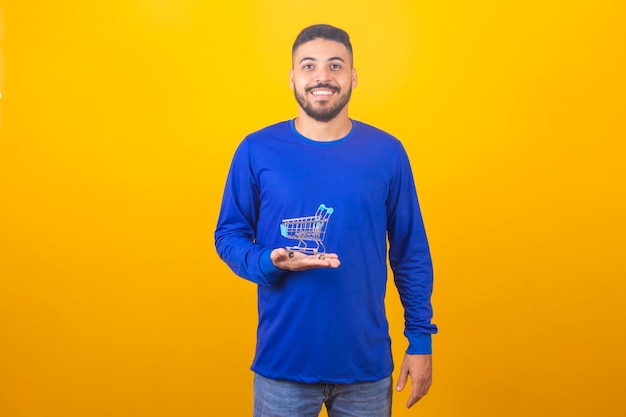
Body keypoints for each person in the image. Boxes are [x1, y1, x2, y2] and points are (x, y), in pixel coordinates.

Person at [214, 24, 437, 417]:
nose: (322, 76)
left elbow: (410, 251)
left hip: (365, 369)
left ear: (352, 76)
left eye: (335, 66)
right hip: (282, 366)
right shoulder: (256, 150)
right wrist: (269, 262)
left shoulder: (387, 152)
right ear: (293, 78)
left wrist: (419, 339)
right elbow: (228, 236)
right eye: (309, 65)